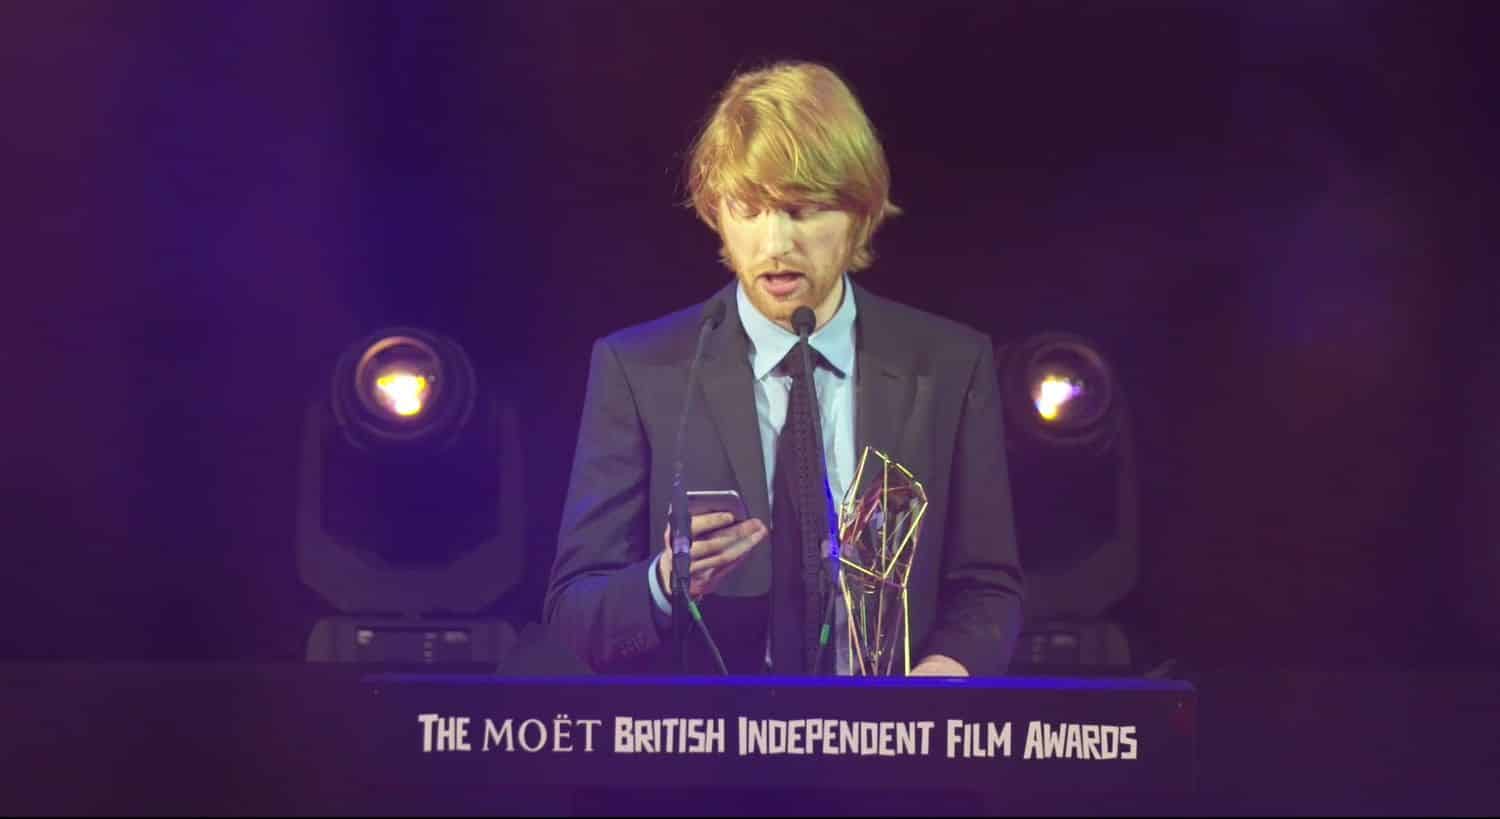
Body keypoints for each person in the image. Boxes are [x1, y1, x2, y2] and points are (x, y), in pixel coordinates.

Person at [544, 60, 1023, 676]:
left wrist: (940, 682)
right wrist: (664, 584)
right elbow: (574, 614)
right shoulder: (641, 369)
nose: (774, 243)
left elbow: (988, 589)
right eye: (749, 208)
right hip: (708, 756)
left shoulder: (950, 364)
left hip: (891, 750)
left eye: (801, 211)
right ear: (715, 211)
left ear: (860, 214)